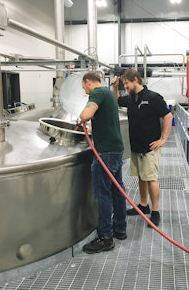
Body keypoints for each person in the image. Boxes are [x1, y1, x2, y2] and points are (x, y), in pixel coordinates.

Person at [112, 69, 173, 227]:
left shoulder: (153, 97)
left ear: (135, 80)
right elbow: (118, 101)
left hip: (150, 147)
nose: (125, 86)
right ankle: (143, 205)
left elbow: (168, 116)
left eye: (126, 83)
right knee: (141, 176)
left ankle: (155, 211)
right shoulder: (132, 98)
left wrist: (163, 139)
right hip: (136, 146)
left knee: (151, 178)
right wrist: (114, 88)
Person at [79, 71, 127, 254]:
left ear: (88, 82)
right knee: (117, 189)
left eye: (84, 86)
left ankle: (105, 237)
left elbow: (86, 114)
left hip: (105, 152)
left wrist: (82, 115)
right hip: (116, 148)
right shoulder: (108, 93)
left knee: (103, 194)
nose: (84, 90)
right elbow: (105, 118)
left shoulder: (97, 93)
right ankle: (120, 229)